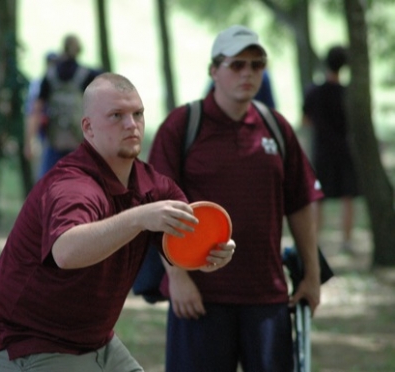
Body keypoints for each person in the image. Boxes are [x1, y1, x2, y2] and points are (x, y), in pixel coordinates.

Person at [0, 72, 236, 372]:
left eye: (137, 114)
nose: (131, 125)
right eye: (116, 115)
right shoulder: (72, 185)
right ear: (88, 128)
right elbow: (67, 252)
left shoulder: (153, 185)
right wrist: (140, 217)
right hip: (25, 340)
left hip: (93, 341)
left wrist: (211, 253)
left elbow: (186, 241)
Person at [148, 25, 324, 372]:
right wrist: (178, 278)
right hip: (199, 298)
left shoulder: (276, 127)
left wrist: (312, 275)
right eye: (237, 64)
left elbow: (301, 202)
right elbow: (155, 209)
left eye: (257, 65)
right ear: (214, 70)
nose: (248, 72)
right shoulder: (184, 125)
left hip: (268, 296)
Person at [303, 45, 359, 254]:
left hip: (321, 152)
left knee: (319, 199)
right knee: (348, 197)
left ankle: (316, 240)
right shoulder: (347, 93)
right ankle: (347, 240)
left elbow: (305, 120)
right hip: (344, 151)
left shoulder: (314, 91)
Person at [24, 34, 101, 179]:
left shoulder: (50, 76)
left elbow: (36, 110)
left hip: (54, 142)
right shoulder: (88, 75)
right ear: (79, 50)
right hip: (79, 142)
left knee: (48, 186)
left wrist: (29, 142)